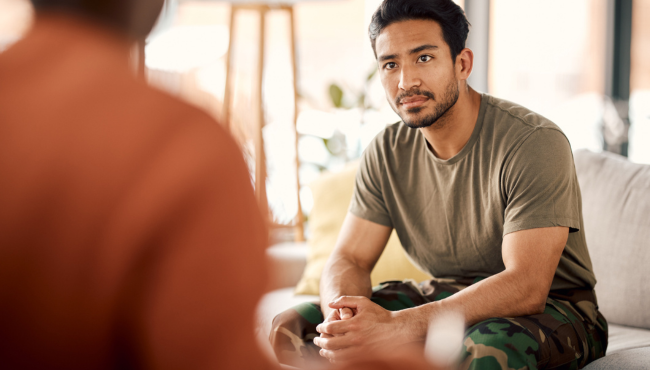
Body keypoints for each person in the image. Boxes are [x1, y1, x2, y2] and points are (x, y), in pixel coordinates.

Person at [270, 0, 608, 369]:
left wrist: (399, 327)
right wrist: (344, 316)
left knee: (487, 349)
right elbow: (349, 258)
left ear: (462, 64)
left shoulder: (533, 142)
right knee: (299, 327)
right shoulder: (387, 151)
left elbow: (526, 286)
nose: (406, 81)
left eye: (424, 58)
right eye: (390, 64)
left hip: (556, 306)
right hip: (450, 294)